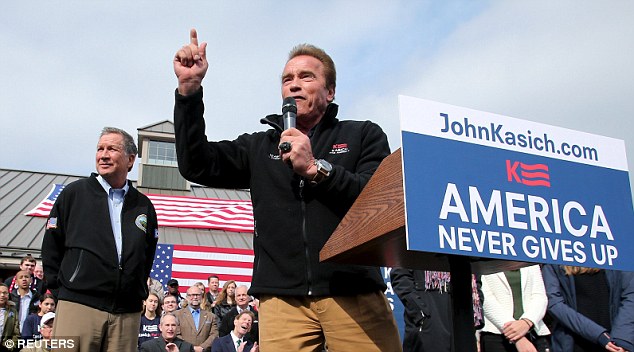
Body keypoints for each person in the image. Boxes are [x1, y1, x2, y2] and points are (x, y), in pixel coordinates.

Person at [173, 28, 401, 351]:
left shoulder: (363, 135)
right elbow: (195, 164)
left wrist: (317, 170)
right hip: (282, 301)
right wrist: (189, 93)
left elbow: (378, 200)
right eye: (286, 78)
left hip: (353, 292)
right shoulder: (259, 146)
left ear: (330, 90)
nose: (293, 83)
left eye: (306, 76)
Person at [41, 127, 159, 352]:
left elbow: (147, 255)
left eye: (112, 149)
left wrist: (135, 290)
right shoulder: (73, 194)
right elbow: (51, 248)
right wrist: (65, 292)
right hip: (78, 306)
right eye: (100, 149)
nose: (103, 155)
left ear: (130, 159)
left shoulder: (143, 205)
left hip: (127, 313)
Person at [542, 265, 634, 352]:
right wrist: (599, 335)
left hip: (615, 340)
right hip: (573, 343)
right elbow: (554, 303)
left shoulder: (614, 251)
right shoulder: (554, 256)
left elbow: (630, 295)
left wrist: (622, 339)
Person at [391, 269, 484, 352]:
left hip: (463, 320)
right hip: (430, 318)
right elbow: (400, 276)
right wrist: (421, 313)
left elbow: (476, 279)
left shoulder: (466, 249)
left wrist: (475, 311)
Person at [480, 265, 551, 352]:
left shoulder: (529, 257)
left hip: (533, 331)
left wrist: (527, 322)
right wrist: (517, 336)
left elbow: (540, 296)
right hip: (497, 335)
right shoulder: (482, 260)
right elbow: (486, 300)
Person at [175, 285, 219, 352]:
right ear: (187, 297)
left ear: (201, 297)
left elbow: (214, 335)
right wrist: (191, 348)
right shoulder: (177, 315)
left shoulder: (211, 316)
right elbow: (176, 334)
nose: (195, 297)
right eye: (192, 295)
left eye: (197, 295)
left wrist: (202, 347)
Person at [8, 270, 40, 336]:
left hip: (31, 334)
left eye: (26, 277)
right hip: (13, 334)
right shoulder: (10, 297)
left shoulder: (37, 297)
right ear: (16, 282)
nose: (24, 279)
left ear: (31, 280)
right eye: (21, 277)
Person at [0, 283, 20, 351]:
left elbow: (16, 334)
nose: (2, 295)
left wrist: (9, 347)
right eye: (0, 292)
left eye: (5, 293)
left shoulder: (13, 311)